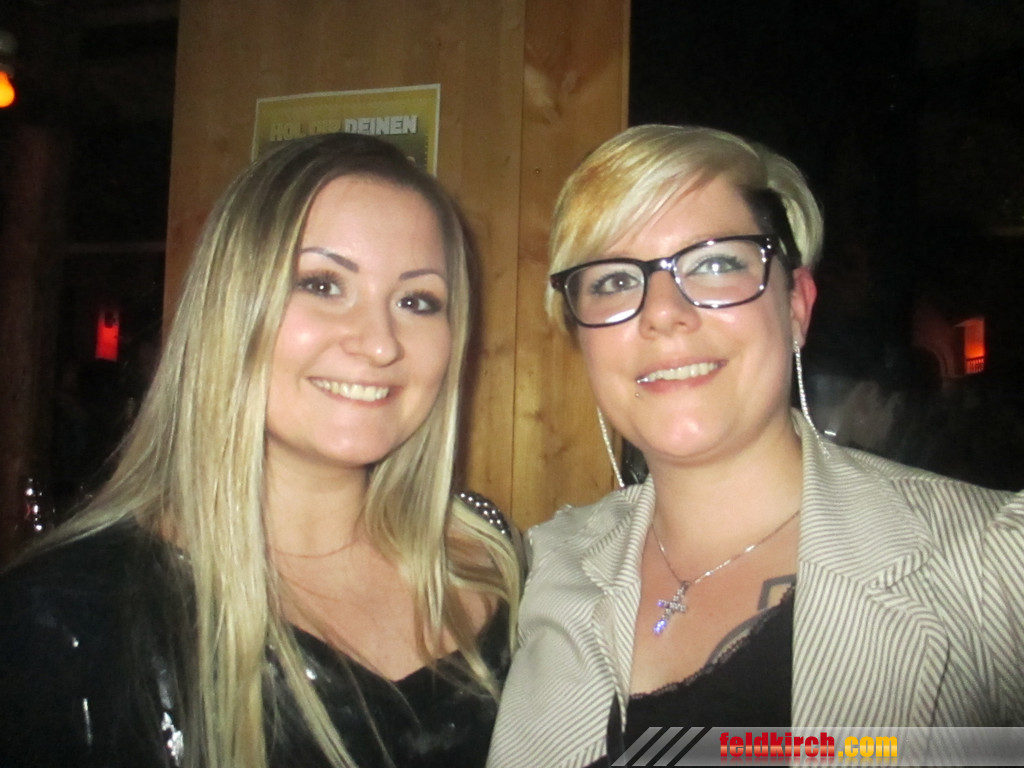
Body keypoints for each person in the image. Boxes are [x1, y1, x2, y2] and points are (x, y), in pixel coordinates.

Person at [487, 124, 1024, 767]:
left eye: (716, 263)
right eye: (613, 281)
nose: (662, 312)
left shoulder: (993, 562)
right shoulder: (545, 567)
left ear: (796, 307)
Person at [0, 132, 520, 768]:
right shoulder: (68, 617)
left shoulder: (492, 562)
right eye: (323, 285)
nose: (381, 343)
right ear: (231, 309)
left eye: (417, 301)